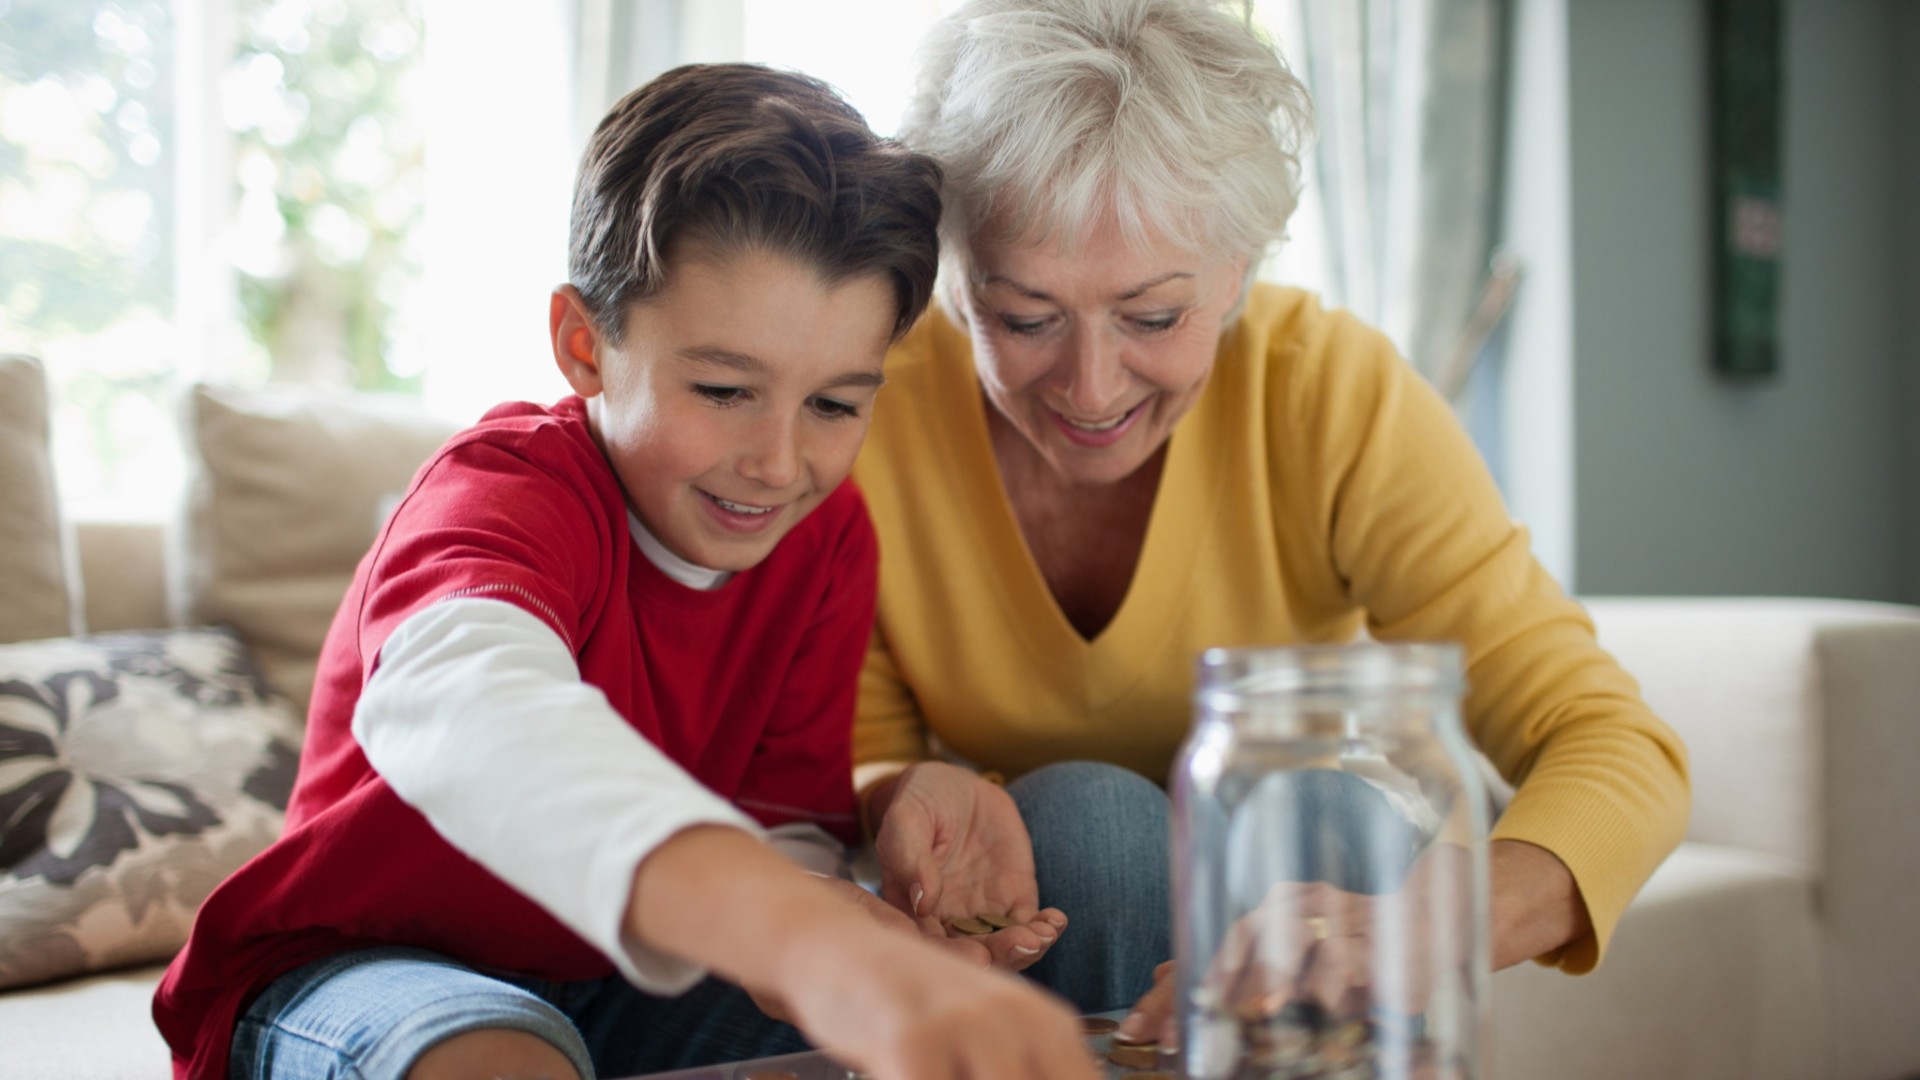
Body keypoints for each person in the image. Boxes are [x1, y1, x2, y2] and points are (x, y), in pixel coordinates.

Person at [152, 63, 1098, 1080]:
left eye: (834, 405)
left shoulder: (824, 541)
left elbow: (780, 824)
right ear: (583, 344)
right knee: (498, 1058)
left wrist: (840, 924)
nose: (779, 463)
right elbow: (474, 709)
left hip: (622, 979)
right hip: (368, 966)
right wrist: (789, 933)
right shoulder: (502, 495)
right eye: (726, 388)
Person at [850, 0, 1692, 1043]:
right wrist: (902, 793)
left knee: (1312, 813)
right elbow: (866, 750)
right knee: (1089, 825)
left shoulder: (1330, 393)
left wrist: (1438, 918)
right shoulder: (871, 402)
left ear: (1239, 270)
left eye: (1154, 317)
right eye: (1025, 318)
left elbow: (1613, 741)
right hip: (1065, 875)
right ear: (954, 279)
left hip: (1311, 844)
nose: (1092, 387)